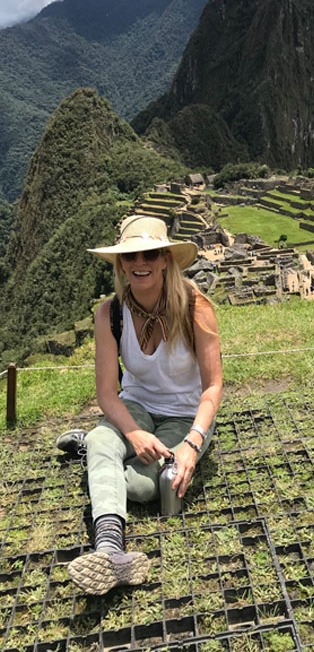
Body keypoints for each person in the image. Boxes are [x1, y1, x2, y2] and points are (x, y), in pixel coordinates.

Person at [60, 215, 222, 595]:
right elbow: (107, 394)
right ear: (120, 264)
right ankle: (111, 551)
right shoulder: (110, 314)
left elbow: (213, 386)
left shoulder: (195, 308)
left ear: (165, 258)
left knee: (148, 487)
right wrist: (132, 433)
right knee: (107, 441)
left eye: (149, 253)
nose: (139, 263)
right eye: (129, 257)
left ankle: (95, 451)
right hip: (135, 406)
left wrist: (193, 445)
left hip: (185, 414)